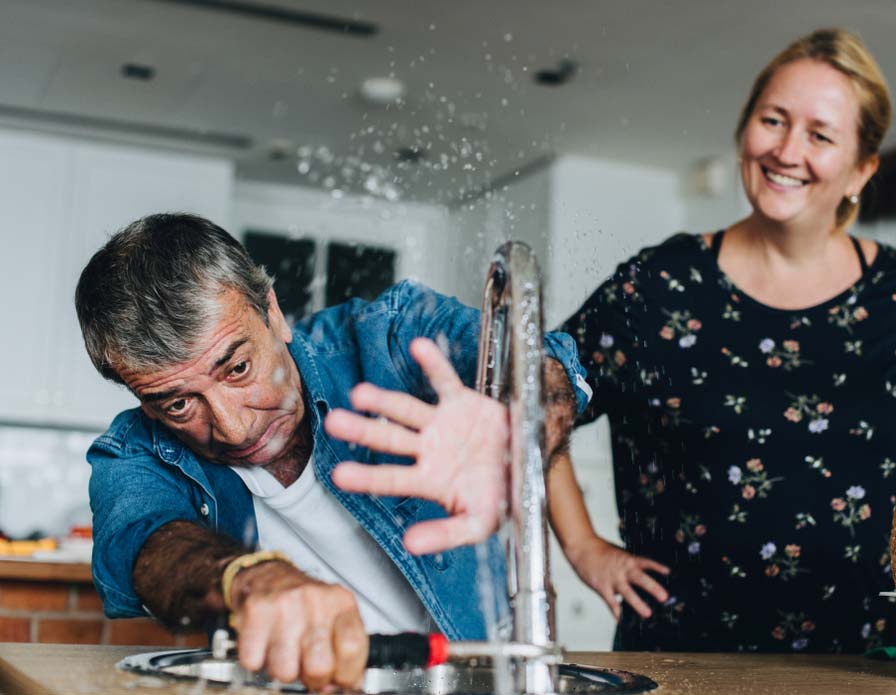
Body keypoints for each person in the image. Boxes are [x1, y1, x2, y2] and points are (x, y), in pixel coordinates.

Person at [549, 27, 896, 653]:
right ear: (744, 131)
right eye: (773, 120)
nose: (787, 150)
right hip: (684, 663)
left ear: (861, 170)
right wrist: (582, 545)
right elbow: (533, 396)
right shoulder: (657, 287)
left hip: (869, 668)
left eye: (820, 135)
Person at [74, 213, 589, 690]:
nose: (232, 429)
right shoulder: (133, 452)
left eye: (237, 369)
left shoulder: (389, 335)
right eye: (179, 403)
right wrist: (246, 579)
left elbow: (544, 367)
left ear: (272, 314)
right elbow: (148, 547)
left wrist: (516, 434)